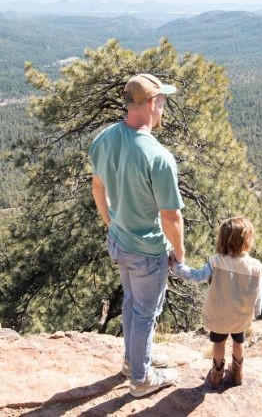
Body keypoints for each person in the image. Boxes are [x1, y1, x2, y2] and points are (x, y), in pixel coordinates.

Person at [89, 73, 185, 398]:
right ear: (151, 104)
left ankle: (133, 362)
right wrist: (179, 253)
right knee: (146, 312)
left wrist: (110, 223)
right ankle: (141, 380)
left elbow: (97, 185)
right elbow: (171, 216)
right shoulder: (158, 157)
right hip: (146, 251)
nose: (163, 107)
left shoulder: (104, 139)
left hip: (119, 241)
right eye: (162, 101)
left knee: (132, 303)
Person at [171, 216, 262, 387]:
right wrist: (256, 312)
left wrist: (176, 267)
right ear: (247, 239)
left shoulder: (216, 261)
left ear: (222, 239)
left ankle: (216, 374)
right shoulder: (255, 266)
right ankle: (237, 373)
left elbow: (196, 276)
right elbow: (258, 293)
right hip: (241, 315)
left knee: (219, 344)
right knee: (238, 342)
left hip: (219, 315)